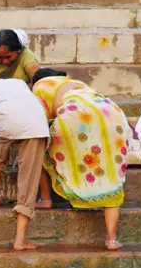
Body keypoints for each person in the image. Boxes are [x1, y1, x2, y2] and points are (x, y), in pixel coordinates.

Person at [31, 68, 130, 251]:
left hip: (76, 115)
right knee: (111, 175)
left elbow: (39, 121)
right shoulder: (77, 84)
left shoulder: (39, 86)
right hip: (113, 114)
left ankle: (45, 199)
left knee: (39, 149)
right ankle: (112, 240)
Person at [0, 78, 50, 251]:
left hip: (8, 121)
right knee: (29, 179)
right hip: (37, 124)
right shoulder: (18, 82)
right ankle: (20, 240)